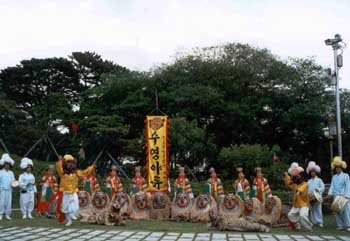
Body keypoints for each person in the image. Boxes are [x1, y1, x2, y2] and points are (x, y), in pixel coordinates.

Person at [56, 154, 95, 226]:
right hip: (66, 193)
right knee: (66, 207)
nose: (70, 165)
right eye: (68, 163)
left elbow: (85, 172)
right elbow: (58, 167)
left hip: (73, 192)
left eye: (71, 163)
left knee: (75, 205)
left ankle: (73, 214)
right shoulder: (63, 174)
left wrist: (91, 167)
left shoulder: (76, 173)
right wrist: (60, 160)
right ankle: (69, 220)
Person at [284, 162, 312, 231]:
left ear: (302, 176)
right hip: (296, 205)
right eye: (296, 176)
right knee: (290, 215)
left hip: (304, 204)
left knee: (302, 215)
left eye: (299, 175)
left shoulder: (306, 183)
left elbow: (302, 188)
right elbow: (288, 183)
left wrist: (299, 191)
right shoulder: (294, 185)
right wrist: (287, 175)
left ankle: (309, 227)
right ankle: (297, 225)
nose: (298, 177)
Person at [327, 156, 350, 231]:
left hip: (343, 196)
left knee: (346, 211)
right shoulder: (334, 177)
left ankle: (348, 225)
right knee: (337, 211)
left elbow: (348, 186)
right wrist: (330, 193)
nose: (337, 169)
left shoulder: (346, 176)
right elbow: (332, 186)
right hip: (335, 196)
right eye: (336, 168)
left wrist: (347, 196)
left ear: (341, 168)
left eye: (339, 168)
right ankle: (340, 225)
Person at [306, 161, 325, 227]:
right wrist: (308, 195)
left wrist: (318, 189)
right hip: (311, 197)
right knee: (312, 210)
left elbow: (322, 187)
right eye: (311, 172)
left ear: (316, 172)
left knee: (318, 209)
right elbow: (307, 189)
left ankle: (320, 222)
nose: (312, 173)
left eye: (313, 172)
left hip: (317, 197)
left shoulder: (319, 180)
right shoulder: (309, 181)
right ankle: (313, 222)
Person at [0, 153, 15, 220]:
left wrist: (15, 184)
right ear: (4, 165)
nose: (7, 165)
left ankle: (7, 214)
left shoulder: (11, 173)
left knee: (8, 203)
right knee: (1, 202)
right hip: (2, 190)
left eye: (8, 164)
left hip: (9, 190)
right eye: (6, 164)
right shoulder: (0, 172)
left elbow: (13, 181)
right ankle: (0, 214)